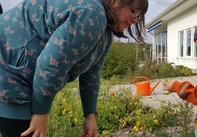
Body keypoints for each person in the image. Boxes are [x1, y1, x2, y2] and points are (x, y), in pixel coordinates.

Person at [0, 0, 148, 136]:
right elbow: (50, 66)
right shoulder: (91, 13)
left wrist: (90, 115)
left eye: (139, 16)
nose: (135, 20)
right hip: (9, 75)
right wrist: (41, 114)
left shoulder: (105, 34)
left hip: (18, 79)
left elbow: (92, 74)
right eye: (134, 11)